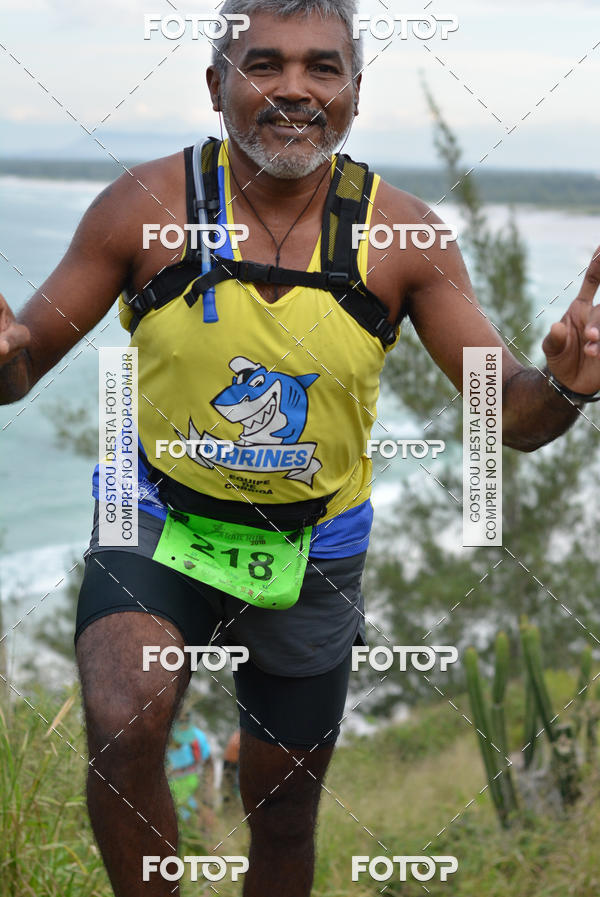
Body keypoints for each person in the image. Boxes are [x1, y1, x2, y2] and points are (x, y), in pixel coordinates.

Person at [1, 1, 600, 894]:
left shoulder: (404, 236)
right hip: (156, 514)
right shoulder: (144, 207)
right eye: (263, 64)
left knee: (281, 811)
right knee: (123, 719)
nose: (293, 89)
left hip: (314, 545)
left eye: (323, 68)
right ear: (216, 85)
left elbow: (504, 417)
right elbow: (21, 366)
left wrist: (565, 382)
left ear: (355, 92)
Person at [167, 708, 215, 832]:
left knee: (192, 825)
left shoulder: (198, 738)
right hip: (169, 787)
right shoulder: (162, 737)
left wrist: (208, 801)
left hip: (192, 783)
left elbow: (209, 766)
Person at [222, 728, 241, 808]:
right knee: (232, 787)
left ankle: (229, 806)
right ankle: (231, 806)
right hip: (233, 764)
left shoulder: (237, 733)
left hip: (229, 763)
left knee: (228, 787)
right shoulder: (240, 735)